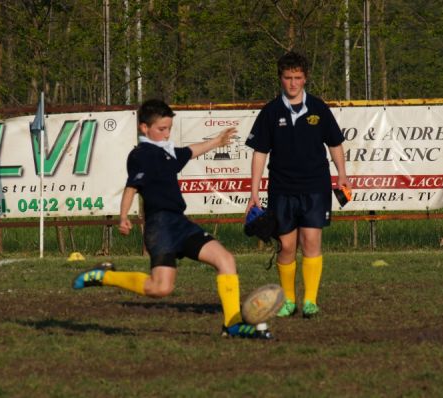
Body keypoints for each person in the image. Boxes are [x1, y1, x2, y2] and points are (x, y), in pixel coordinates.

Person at [72, 98, 272, 339]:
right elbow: (131, 187)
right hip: (160, 227)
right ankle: (105, 276)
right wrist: (124, 216)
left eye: (169, 128)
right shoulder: (141, 155)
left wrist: (218, 141)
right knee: (160, 288)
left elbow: (190, 151)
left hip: (180, 223)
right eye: (161, 129)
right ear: (144, 128)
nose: (167, 134)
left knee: (226, 260)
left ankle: (233, 324)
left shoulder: (166, 153)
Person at [245, 51, 350, 319]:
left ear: (305, 79)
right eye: (288, 78)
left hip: (315, 186)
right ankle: (288, 300)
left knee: (311, 240)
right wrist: (254, 192)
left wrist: (342, 174)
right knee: (287, 246)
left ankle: (310, 301)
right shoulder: (270, 112)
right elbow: (259, 153)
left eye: (298, 78)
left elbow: (335, 143)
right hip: (281, 188)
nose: (293, 83)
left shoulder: (318, 108)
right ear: (281, 78)